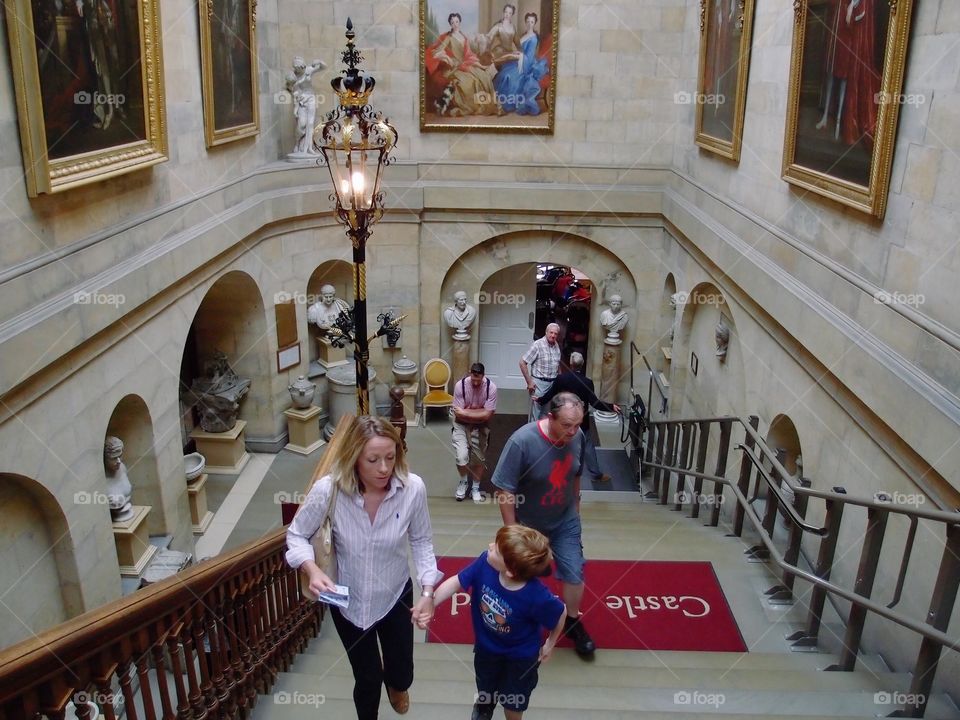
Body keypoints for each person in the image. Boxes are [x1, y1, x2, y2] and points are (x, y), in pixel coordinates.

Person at [286, 416, 442, 719]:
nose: (384, 468)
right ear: (355, 457)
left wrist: (428, 591)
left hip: (395, 594)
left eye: (390, 457)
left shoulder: (413, 489)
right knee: (367, 677)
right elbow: (296, 534)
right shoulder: (327, 491)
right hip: (347, 599)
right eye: (373, 460)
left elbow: (422, 541)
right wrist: (312, 569)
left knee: (402, 672)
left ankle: (397, 685)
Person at [490, 392, 596, 658]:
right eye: (567, 425)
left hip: (565, 519)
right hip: (528, 524)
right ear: (551, 418)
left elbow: (576, 474)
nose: (573, 431)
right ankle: (524, 622)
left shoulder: (578, 437)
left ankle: (572, 621)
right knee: (526, 576)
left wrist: (577, 509)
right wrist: (512, 532)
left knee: (574, 570)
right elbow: (505, 489)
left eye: (578, 425)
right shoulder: (522, 442)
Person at [426, 525, 566, 720]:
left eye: (496, 549)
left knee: (514, 701)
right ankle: (485, 706)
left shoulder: (537, 597)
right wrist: (431, 603)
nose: (490, 546)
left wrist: (550, 643)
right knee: (485, 683)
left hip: (521, 658)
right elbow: (457, 581)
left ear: (510, 570)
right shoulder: (485, 562)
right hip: (487, 648)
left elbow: (560, 613)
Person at [539, 352, 620, 485]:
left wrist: (540, 400)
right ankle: (595, 474)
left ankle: (551, 472)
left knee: (558, 445)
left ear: (570, 364)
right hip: (580, 421)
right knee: (587, 446)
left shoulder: (561, 379)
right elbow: (595, 403)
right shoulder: (587, 382)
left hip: (563, 419)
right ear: (582, 365)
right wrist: (611, 407)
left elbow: (550, 395)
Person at [425, 13, 502, 117]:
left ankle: (488, 105)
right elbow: (437, 52)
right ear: (450, 24)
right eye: (452, 22)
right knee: (469, 82)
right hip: (454, 67)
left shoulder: (464, 37)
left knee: (484, 77)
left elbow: (469, 55)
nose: (455, 24)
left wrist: (481, 66)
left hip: (465, 64)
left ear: (459, 22)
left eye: (456, 22)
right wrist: (447, 58)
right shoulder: (449, 37)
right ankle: (474, 106)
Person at [452, 362, 498, 503]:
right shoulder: (460, 386)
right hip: (460, 424)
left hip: (481, 425)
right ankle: (464, 481)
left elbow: (487, 415)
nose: (476, 382)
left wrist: (466, 411)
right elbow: (458, 415)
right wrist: (479, 412)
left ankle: (475, 487)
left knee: (479, 458)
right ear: (470, 373)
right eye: (473, 378)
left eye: (479, 379)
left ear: (483, 376)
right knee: (461, 456)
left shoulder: (491, 388)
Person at [492, 12, 549, 115]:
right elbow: (519, 49)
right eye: (528, 21)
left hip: (526, 65)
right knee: (502, 73)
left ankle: (505, 104)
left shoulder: (534, 38)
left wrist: (519, 56)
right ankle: (497, 103)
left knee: (509, 76)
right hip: (519, 60)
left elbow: (529, 57)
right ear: (525, 22)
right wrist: (516, 54)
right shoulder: (523, 35)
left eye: (532, 22)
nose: (529, 24)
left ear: (535, 23)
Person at [519, 323, 561, 420]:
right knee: (535, 415)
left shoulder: (556, 345)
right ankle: (533, 434)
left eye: (556, 334)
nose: (553, 335)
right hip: (539, 384)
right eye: (551, 332)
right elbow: (522, 362)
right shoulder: (537, 345)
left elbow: (558, 364)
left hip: (552, 384)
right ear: (546, 332)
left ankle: (543, 434)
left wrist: (560, 380)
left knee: (548, 414)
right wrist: (529, 382)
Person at [285, 56, 327, 155]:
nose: (299, 70)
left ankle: (309, 148)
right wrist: (295, 107)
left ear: (303, 66)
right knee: (302, 124)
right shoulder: (292, 76)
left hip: (311, 98)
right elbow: (290, 89)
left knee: (310, 123)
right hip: (301, 101)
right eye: (297, 68)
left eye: (301, 68)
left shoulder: (308, 70)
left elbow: (323, 67)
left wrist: (319, 61)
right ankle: (297, 143)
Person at [103, 436, 133, 522]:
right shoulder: (102, 480)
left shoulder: (122, 467)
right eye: (114, 458)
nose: (119, 461)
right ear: (104, 459)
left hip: (129, 514)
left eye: (120, 456)